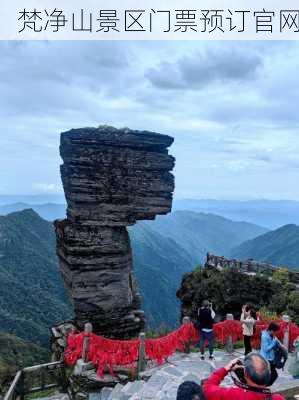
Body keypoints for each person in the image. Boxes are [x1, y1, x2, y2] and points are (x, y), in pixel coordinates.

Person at [203, 353, 285, 400]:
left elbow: (207, 388)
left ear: (245, 374)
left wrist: (225, 369)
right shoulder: (277, 398)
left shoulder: (233, 395)